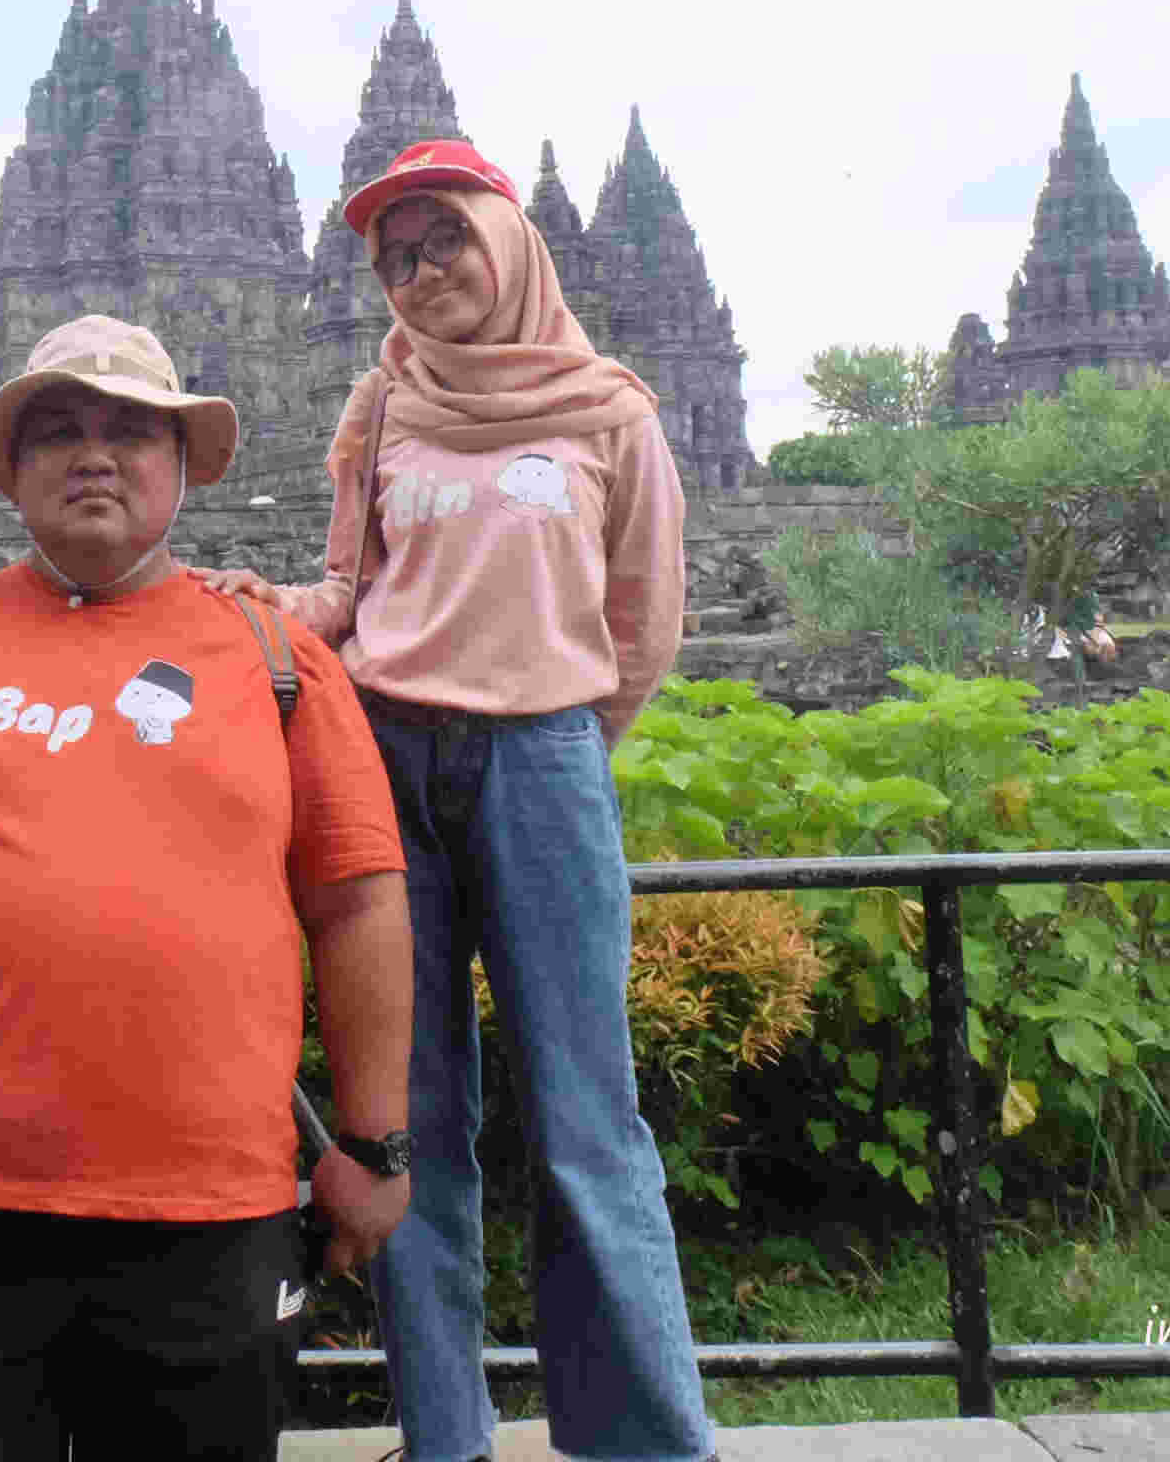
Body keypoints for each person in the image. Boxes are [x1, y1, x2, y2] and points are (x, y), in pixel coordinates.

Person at [0, 316, 414, 1462]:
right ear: (11, 471)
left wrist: (375, 1144)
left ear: (183, 466)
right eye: (58, 431)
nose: (95, 456)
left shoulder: (276, 657)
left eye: (132, 433)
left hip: (214, 1209)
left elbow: (358, 903)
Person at [203, 138, 717, 1462]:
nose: (422, 274)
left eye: (445, 243)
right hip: (386, 761)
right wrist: (261, 608)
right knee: (407, 1121)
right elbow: (354, 589)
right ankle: (447, 1437)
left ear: (507, 246)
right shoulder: (384, 406)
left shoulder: (609, 413)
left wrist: (553, 734)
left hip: (543, 765)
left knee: (587, 1121)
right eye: (397, 259)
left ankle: (646, 1443)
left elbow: (643, 624)